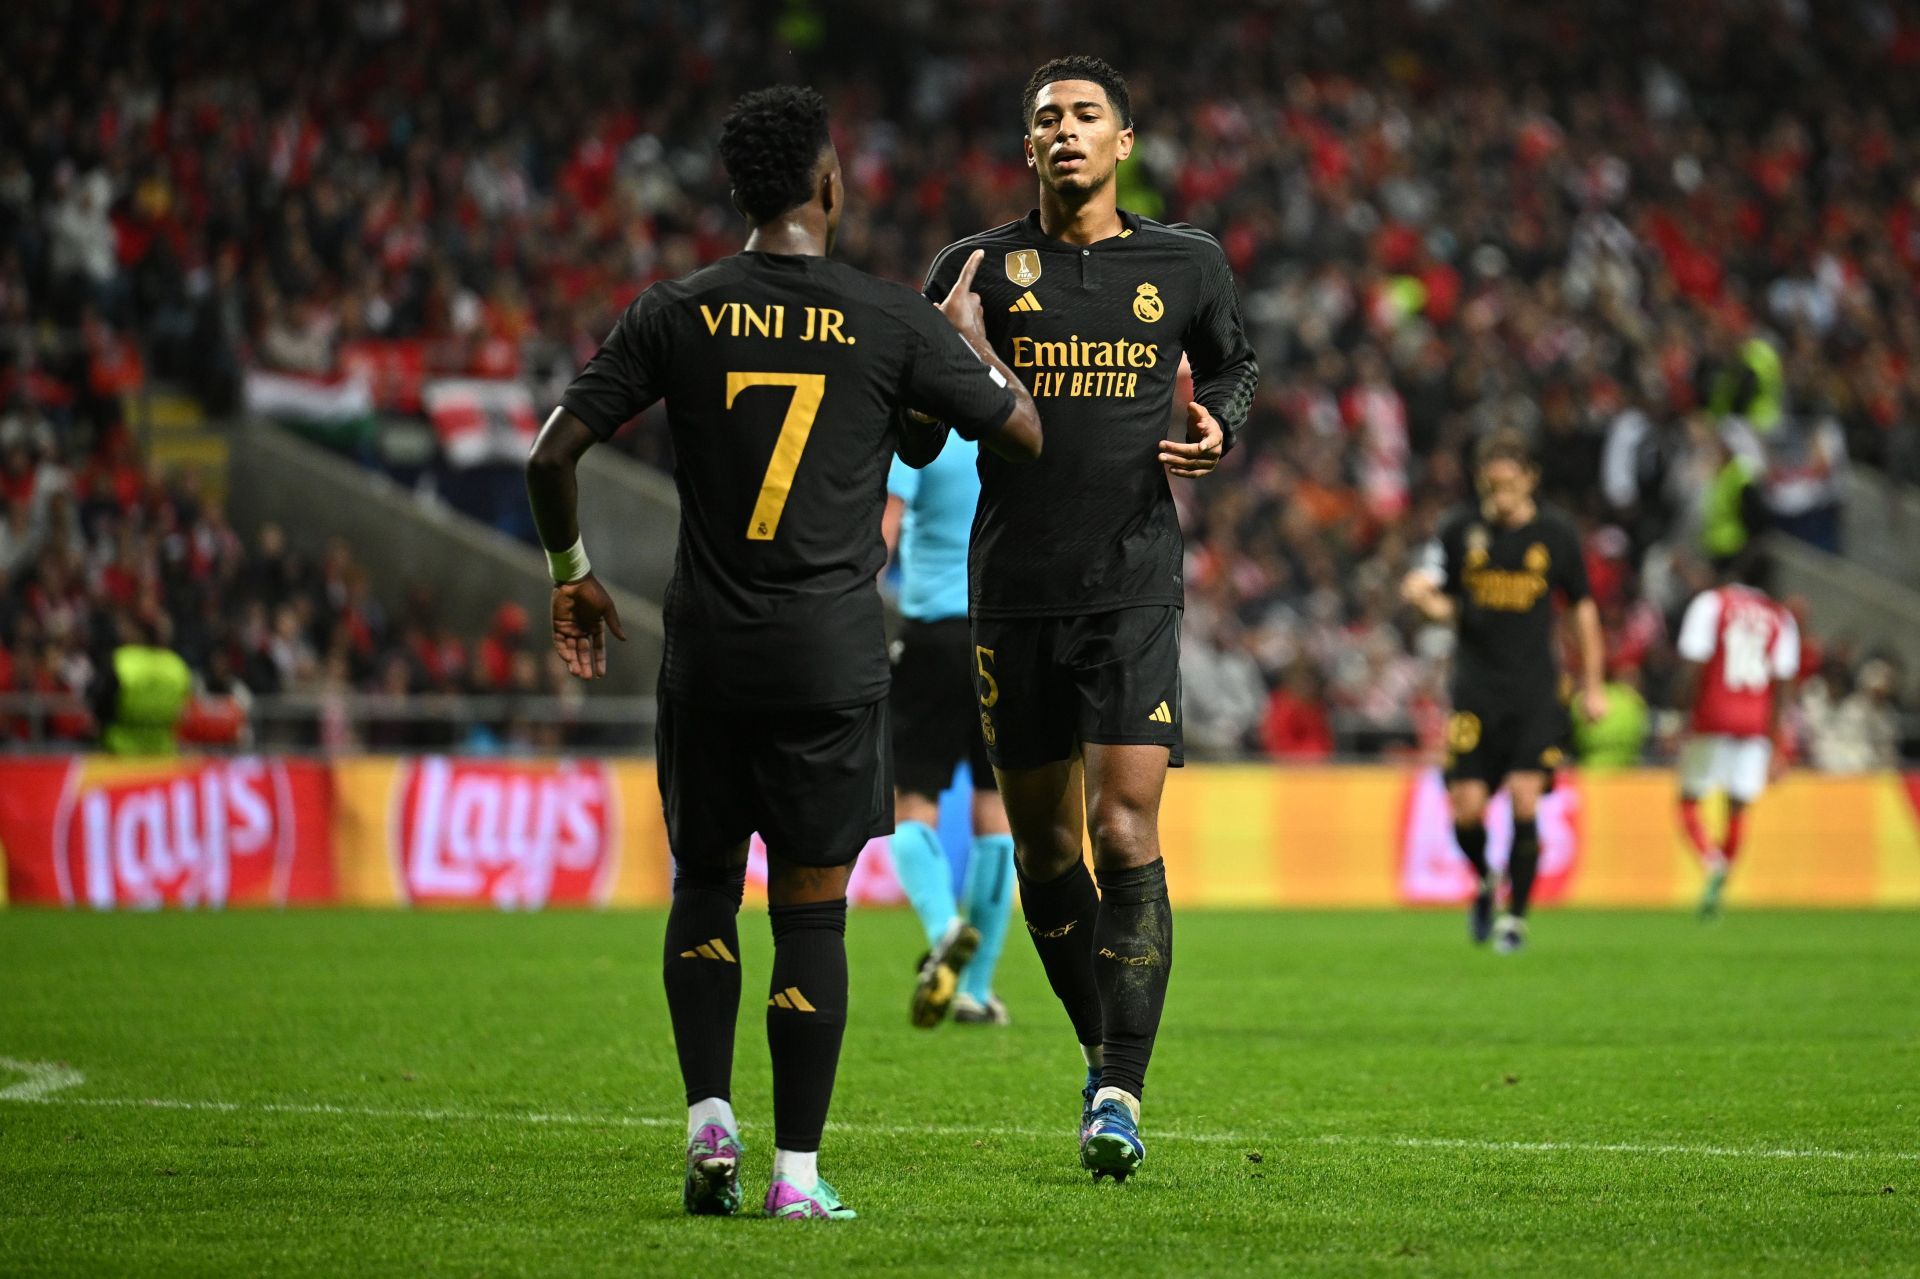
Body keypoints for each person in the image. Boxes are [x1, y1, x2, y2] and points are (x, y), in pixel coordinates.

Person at [525, 86, 1040, 1222]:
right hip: (830, 659)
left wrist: (573, 573)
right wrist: (963, 348)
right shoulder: (885, 318)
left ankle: (708, 1119)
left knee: (704, 885)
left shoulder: (678, 308)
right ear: (828, 186)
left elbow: (553, 455)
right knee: (811, 913)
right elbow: (1021, 428)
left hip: (706, 653)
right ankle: (795, 1180)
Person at [918, 55, 1258, 1182]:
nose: (1065, 132)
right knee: (1049, 849)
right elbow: (918, 442)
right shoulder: (973, 268)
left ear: (1124, 141)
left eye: (1086, 116)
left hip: (1132, 583)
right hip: (1012, 594)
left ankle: (1120, 1086)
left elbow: (1237, 367)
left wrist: (1220, 427)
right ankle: (1102, 1053)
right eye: (1046, 120)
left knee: (1123, 831)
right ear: (1028, 150)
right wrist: (954, 349)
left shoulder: (1186, 263)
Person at [1401, 429, 1607, 954]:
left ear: (1530, 481)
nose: (1499, 497)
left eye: (1509, 486)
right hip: (1474, 692)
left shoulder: (1557, 536)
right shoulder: (1457, 529)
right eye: (1490, 487)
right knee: (1465, 810)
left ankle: (1516, 920)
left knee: (1524, 798)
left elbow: (1582, 608)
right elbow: (1440, 596)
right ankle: (1488, 883)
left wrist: (1593, 684)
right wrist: (1423, 598)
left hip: (1536, 692)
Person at [882, 439, 1018, 1029]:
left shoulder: (921, 430)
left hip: (932, 636)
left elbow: (882, 534)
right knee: (1000, 814)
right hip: (1006, 636)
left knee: (914, 803)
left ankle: (943, 931)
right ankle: (975, 988)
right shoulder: (1012, 427)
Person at [1671, 552, 1800, 918]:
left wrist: (1680, 718)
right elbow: (1783, 685)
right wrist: (1778, 742)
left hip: (1713, 716)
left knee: (1688, 801)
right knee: (1737, 808)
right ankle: (1722, 879)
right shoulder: (1781, 617)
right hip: (1756, 724)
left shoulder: (1713, 604)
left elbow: (1693, 665)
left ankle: (1713, 863)